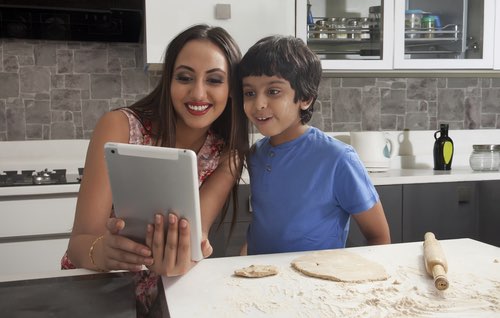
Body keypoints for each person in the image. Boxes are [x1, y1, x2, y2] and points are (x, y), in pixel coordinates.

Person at [61, 24, 248, 316]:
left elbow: (193, 242)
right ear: (168, 81)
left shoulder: (227, 157)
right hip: (95, 293)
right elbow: (78, 247)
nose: (198, 92)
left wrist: (183, 256)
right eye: (184, 77)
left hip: (160, 300)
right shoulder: (119, 126)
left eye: (215, 80)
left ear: (232, 89)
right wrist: (104, 250)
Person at [238, 35, 390, 255]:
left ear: (305, 98)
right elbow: (263, 228)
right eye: (249, 93)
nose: (258, 104)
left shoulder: (338, 158)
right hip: (264, 281)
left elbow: (379, 237)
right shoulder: (256, 154)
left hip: (316, 284)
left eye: (273, 91)